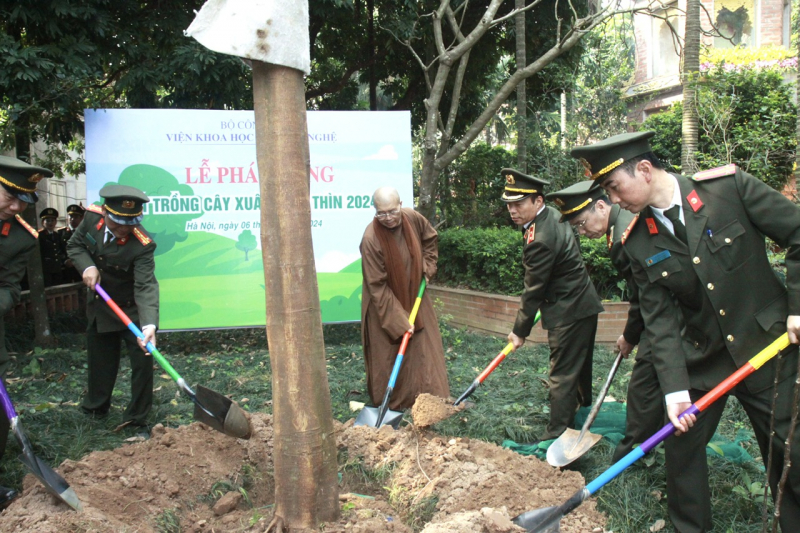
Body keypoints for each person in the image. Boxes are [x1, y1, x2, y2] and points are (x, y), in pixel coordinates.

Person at [572, 131, 800, 532]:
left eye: (613, 186)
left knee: (789, 452)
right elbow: (659, 321)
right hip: (703, 358)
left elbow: (797, 232)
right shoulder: (637, 240)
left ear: (643, 169)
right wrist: (675, 391)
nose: (614, 199)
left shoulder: (728, 189)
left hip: (768, 345)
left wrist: (799, 307)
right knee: (681, 449)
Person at [546, 180, 664, 461]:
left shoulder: (625, 237)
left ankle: (633, 456)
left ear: (601, 206)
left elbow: (642, 296)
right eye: (577, 228)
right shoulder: (622, 225)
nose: (583, 232)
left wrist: (631, 336)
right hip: (661, 313)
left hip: (664, 318)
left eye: (582, 223)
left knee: (642, 390)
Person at [500, 169, 604, 442]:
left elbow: (533, 289)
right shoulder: (554, 217)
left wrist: (519, 331)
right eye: (509, 204)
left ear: (537, 200)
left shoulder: (540, 239)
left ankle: (557, 434)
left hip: (568, 309)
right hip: (582, 303)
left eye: (519, 204)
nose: (512, 210)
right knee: (578, 366)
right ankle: (580, 410)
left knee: (562, 374)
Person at [67, 185, 159, 431]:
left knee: (143, 360)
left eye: (131, 223)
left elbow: (145, 285)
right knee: (101, 359)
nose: (124, 229)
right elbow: (75, 246)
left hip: (132, 310)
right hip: (103, 305)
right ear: (105, 213)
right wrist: (87, 266)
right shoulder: (90, 218)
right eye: (118, 223)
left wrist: (149, 325)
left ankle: (136, 418)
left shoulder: (143, 244)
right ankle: (96, 407)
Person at [359, 186, 449, 410]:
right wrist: (399, 321)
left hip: (415, 294)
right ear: (375, 211)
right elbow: (377, 285)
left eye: (392, 211)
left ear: (400, 205)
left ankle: (430, 396)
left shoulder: (412, 217)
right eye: (382, 213)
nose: (388, 218)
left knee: (425, 348)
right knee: (389, 352)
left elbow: (430, 239)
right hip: (385, 304)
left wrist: (428, 267)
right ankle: (396, 400)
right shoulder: (371, 238)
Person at [0, 155, 53, 508]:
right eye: (10, 196)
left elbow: (9, 288)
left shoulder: (21, 237)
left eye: (24, 199)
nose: (17, 205)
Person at [38, 207, 66, 287]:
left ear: (55, 222)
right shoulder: (40, 235)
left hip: (57, 269)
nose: (50, 223)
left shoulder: (57, 235)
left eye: (52, 220)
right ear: (43, 222)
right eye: (48, 220)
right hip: (46, 270)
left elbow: (61, 250)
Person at [58, 203, 85, 283]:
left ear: (81, 218)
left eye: (76, 217)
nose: (73, 219)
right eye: (71, 216)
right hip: (67, 270)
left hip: (81, 268)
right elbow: (58, 249)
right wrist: (65, 260)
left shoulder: (84, 233)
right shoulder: (61, 233)